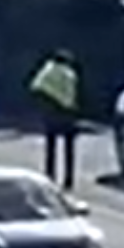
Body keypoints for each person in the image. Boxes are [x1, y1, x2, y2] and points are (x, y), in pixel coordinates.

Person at [28, 47, 81, 190]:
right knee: (69, 148)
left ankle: (49, 175)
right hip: (65, 113)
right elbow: (70, 95)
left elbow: (35, 86)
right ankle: (68, 179)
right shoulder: (69, 74)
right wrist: (72, 109)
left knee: (51, 146)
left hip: (49, 112)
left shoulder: (47, 69)